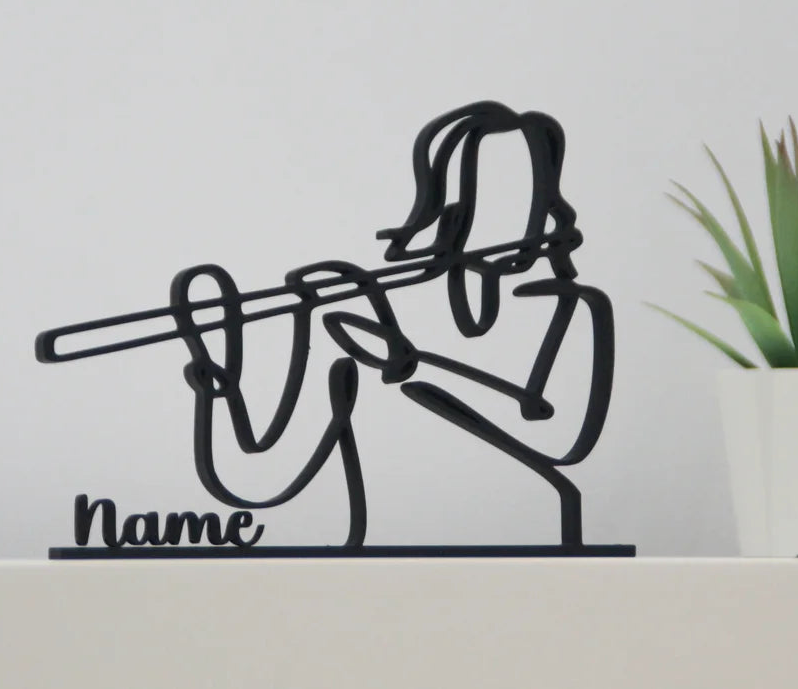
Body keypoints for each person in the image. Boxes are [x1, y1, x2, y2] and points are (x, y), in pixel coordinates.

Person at [172, 101, 617, 551]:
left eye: (523, 199)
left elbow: (555, 436)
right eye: (475, 201)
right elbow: (261, 461)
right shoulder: (420, 296)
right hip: (384, 540)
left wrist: (418, 365)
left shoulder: (572, 305)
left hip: (525, 523)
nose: (495, 221)